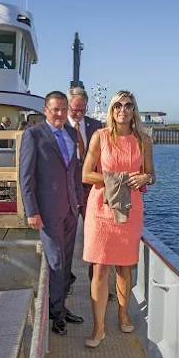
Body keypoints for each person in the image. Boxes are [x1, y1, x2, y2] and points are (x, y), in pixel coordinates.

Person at [81, 90, 155, 348]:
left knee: (124, 267)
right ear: (112, 111)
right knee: (100, 268)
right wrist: (117, 178)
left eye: (128, 105)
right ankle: (98, 328)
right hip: (101, 208)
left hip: (131, 209)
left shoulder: (144, 140)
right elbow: (86, 175)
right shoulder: (99, 138)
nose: (122, 110)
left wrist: (145, 178)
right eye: (117, 106)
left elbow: (151, 174)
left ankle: (123, 314)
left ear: (134, 110)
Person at [19, 91, 84, 336]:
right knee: (55, 261)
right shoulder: (33, 135)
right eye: (55, 109)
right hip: (47, 211)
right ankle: (55, 314)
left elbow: (74, 172)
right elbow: (26, 176)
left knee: (66, 261)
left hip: (70, 209)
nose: (60, 114)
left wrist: (78, 202)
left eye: (63, 109)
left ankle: (61, 305)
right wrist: (31, 210)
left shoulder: (71, 133)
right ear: (45, 110)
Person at [65, 87, 117, 300]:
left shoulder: (96, 127)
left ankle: (98, 284)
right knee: (65, 241)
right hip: (67, 191)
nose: (77, 114)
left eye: (81, 110)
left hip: (91, 192)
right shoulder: (58, 128)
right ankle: (64, 285)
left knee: (97, 240)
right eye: (73, 110)